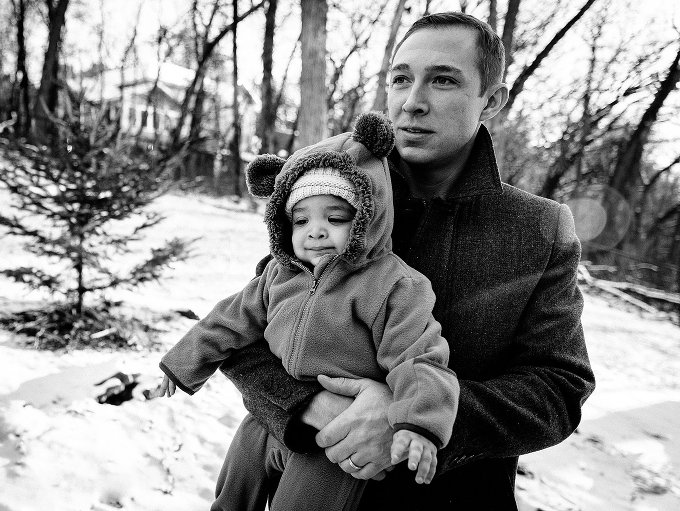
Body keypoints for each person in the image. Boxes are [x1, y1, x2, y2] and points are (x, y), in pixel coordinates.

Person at [218, 12, 596, 510]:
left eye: (442, 80)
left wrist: (411, 421)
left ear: (493, 99)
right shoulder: (332, 193)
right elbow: (247, 334)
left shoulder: (538, 229)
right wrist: (310, 404)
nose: (412, 102)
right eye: (401, 78)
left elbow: (558, 389)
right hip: (304, 473)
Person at [155, 112, 459, 510]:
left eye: (335, 218)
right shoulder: (278, 276)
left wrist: (419, 423)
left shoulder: (393, 285)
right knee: (233, 490)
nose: (315, 230)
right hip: (271, 417)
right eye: (301, 220)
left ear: (369, 216)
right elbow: (225, 321)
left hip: (337, 440)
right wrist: (179, 365)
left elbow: (419, 357)